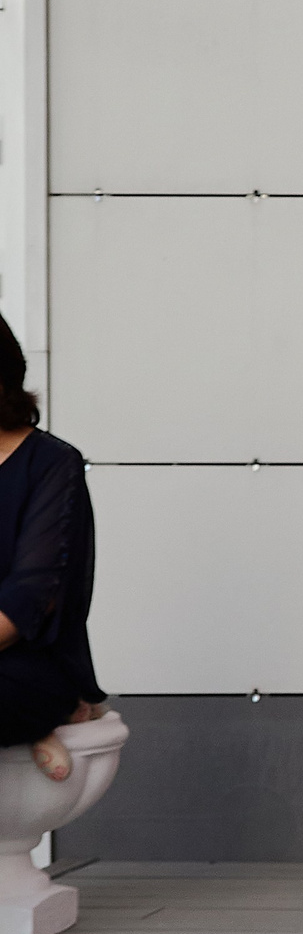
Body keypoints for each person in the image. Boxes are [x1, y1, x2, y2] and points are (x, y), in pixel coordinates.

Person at [0, 315, 108, 778]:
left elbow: (29, 597)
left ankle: (49, 717)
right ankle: (29, 732)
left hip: (29, 664)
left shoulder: (51, 463)